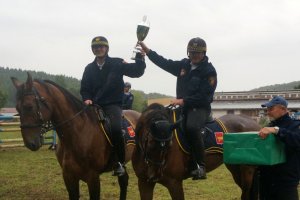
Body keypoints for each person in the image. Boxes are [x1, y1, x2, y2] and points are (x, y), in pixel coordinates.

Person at [139, 37, 217, 180]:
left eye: (198, 53)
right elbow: (164, 62)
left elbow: (205, 97)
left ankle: (200, 166)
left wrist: (183, 101)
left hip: (199, 108)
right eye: (192, 53)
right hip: (181, 106)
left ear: (204, 53)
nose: (195, 55)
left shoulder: (209, 71)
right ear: (188, 52)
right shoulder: (183, 65)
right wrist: (148, 51)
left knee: (192, 127)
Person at [80, 36, 146, 176]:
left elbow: (137, 72)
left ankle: (119, 163)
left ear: (107, 48)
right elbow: (84, 88)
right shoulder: (89, 68)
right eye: (96, 47)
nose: (98, 49)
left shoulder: (117, 63)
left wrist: (140, 57)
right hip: (93, 106)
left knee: (116, 129)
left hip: (112, 105)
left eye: (101, 47)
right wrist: (86, 99)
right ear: (93, 50)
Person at [258, 96, 300, 200]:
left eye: (271, 109)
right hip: (266, 180)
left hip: (286, 182)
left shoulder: (295, 125)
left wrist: (277, 131)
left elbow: (297, 140)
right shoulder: (268, 126)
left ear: (283, 109)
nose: (268, 112)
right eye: (267, 109)